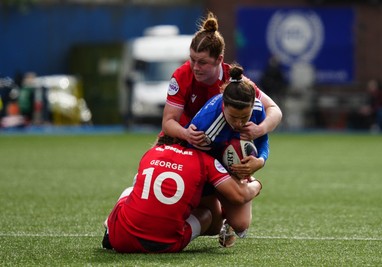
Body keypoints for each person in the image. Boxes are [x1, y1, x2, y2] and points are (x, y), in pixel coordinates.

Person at [102, 135, 262, 253]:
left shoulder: (152, 152)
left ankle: (110, 228)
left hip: (121, 240)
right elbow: (239, 196)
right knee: (209, 216)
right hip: (165, 245)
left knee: (131, 190)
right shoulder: (204, 160)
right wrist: (256, 183)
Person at [161, 11, 282, 148]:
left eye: (202, 62)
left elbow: (274, 109)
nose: (195, 67)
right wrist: (185, 134)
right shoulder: (182, 75)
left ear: (219, 59)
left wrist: (260, 129)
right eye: (192, 60)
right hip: (181, 138)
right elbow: (168, 122)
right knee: (151, 168)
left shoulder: (234, 79)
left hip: (217, 143)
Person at [187, 64, 269, 247]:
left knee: (240, 225)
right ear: (223, 105)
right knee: (212, 224)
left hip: (229, 168)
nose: (239, 123)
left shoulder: (256, 107)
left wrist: (260, 160)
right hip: (204, 168)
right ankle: (251, 186)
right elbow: (190, 155)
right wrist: (224, 181)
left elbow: (263, 140)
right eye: (233, 117)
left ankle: (245, 184)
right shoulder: (207, 123)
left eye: (244, 117)